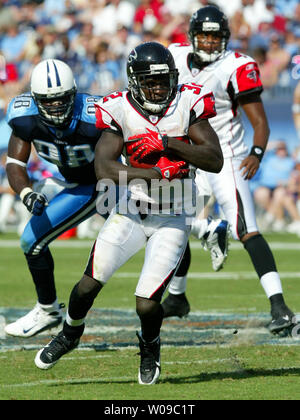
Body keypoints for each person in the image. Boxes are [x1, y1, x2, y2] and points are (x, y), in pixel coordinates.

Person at [34, 42, 223, 385]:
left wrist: (168, 144)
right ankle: (70, 333)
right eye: (150, 82)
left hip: (173, 214)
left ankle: (150, 346)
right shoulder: (118, 107)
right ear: (134, 81)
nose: (158, 88)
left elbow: (214, 158)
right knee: (86, 287)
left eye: (163, 81)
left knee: (146, 304)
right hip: (131, 210)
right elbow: (104, 168)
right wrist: (153, 173)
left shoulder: (187, 101)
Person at [162, 6, 297, 334]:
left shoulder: (236, 66)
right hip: (189, 158)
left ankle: (280, 307)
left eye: (215, 36)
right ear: (193, 36)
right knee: (171, 223)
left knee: (246, 229)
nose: (208, 42)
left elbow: (260, 121)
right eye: (204, 36)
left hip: (225, 159)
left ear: (224, 38)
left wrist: (256, 152)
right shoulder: (175, 57)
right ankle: (178, 296)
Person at [4, 59, 105, 338]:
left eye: (62, 100)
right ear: (36, 100)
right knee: (29, 241)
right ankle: (47, 310)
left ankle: (180, 286)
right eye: (48, 102)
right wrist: (26, 193)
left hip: (104, 184)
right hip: (70, 184)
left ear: (74, 93)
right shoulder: (24, 117)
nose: (57, 107)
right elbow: (14, 163)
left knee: (155, 227)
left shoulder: (95, 115)